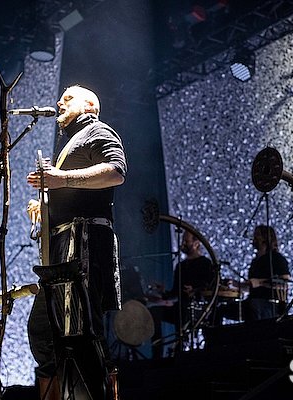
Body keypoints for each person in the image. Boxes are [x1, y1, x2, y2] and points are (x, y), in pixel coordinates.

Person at [26, 85, 127, 400]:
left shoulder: (98, 131)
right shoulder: (71, 142)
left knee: (81, 331)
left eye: (68, 98)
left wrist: (61, 180)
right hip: (62, 247)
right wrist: (46, 204)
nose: (60, 102)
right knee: (44, 331)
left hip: (82, 242)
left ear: (90, 105)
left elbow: (116, 172)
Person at [149, 230, 214, 359]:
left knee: (182, 312)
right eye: (183, 240)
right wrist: (163, 292)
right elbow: (175, 293)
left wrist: (195, 289)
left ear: (196, 243)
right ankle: (157, 355)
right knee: (153, 312)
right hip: (181, 306)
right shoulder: (180, 266)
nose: (183, 243)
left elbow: (210, 286)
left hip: (198, 308)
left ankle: (179, 352)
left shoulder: (205, 263)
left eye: (186, 241)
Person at [245, 225, 290, 321]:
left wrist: (260, 283)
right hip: (254, 302)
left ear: (265, 238)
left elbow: (284, 283)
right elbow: (252, 286)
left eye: (257, 235)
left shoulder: (277, 258)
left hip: (271, 305)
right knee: (222, 309)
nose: (254, 238)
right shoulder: (255, 261)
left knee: (252, 307)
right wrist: (237, 285)